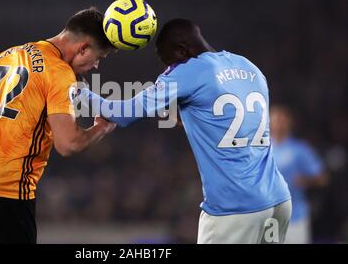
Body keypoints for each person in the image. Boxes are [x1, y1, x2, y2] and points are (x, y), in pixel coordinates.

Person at [77, 18, 292, 243]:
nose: (167, 69)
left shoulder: (188, 72)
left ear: (183, 51)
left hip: (235, 208)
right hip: (278, 200)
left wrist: (79, 91)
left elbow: (123, 113)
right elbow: (221, 117)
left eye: (167, 60)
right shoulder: (248, 66)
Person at [0, 7, 116, 244]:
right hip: (8, 190)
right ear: (83, 47)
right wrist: (101, 128)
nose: (96, 66)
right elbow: (68, 144)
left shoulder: (3, 57)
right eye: (98, 57)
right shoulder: (58, 72)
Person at [270, 105, 327, 244]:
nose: (279, 123)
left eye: (282, 119)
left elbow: (323, 178)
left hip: (295, 216)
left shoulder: (300, 149)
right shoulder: (261, 149)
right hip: (268, 217)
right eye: (275, 119)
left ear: (289, 122)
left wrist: (307, 181)